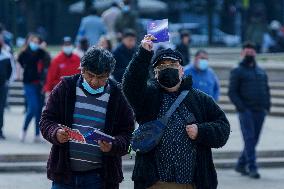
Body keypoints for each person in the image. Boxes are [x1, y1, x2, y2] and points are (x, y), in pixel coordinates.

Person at [122, 34, 230, 189]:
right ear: (155, 72)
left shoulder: (201, 100)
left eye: (172, 64)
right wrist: (143, 53)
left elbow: (223, 129)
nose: (167, 68)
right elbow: (130, 86)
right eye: (162, 66)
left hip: (192, 183)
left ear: (181, 70)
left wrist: (201, 131)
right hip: (155, 183)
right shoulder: (148, 97)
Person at [40, 46, 135, 189]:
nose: (95, 82)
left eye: (101, 77)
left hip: (100, 178)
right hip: (65, 175)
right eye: (90, 75)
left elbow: (129, 136)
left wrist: (113, 145)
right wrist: (55, 133)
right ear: (82, 69)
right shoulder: (66, 88)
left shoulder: (118, 95)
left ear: (109, 74)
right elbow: (46, 121)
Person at [228, 42, 271, 179]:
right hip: (246, 111)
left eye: (252, 52)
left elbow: (267, 89)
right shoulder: (237, 71)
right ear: (242, 53)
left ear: (255, 54)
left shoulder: (261, 71)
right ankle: (252, 167)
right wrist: (242, 108)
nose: (250, 54)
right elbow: (232, 92)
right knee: (250, 138)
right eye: (247, 52)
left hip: (260, 111)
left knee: (254, 140)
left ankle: (241, 163)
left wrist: (267, 106)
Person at [18, 34, 51, 142]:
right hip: (28, 83)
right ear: (29, 42)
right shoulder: (25, 53)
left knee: (39, 110)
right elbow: (22, 62)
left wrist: (44, 50)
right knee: (33, 107)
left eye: (37, 42)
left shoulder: (42, 53)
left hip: (40, 84)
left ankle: (37, 134)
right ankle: (24, 129)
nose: (35, 44)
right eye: (33, 42)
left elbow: (48, 62)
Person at [0, 33, 13, 139]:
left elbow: (11, 71)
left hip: (2, 87)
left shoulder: (6, 56)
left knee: (0, 109)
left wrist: (7, 81)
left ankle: (0, 130)